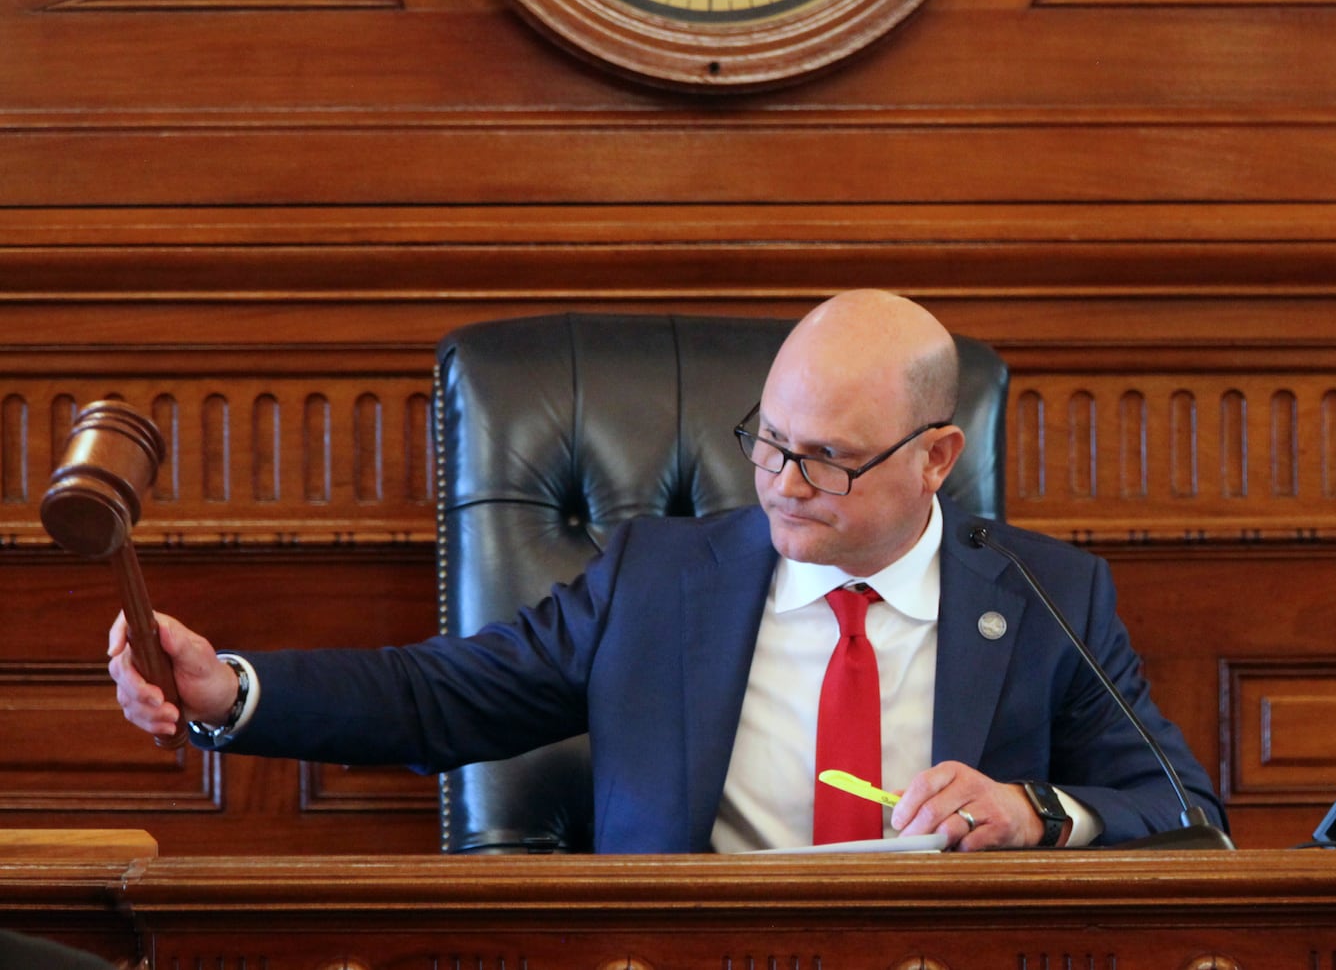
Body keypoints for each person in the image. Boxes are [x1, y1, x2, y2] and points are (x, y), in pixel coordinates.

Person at [108, 290, 1225, 853]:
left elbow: (1184, 812)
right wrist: (231, 690)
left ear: (938, 455)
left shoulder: (1044, 599)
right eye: (769, 438)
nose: (782, 479)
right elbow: (441, 694)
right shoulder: (657, 578)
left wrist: (1036, 811)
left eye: (828, 457)